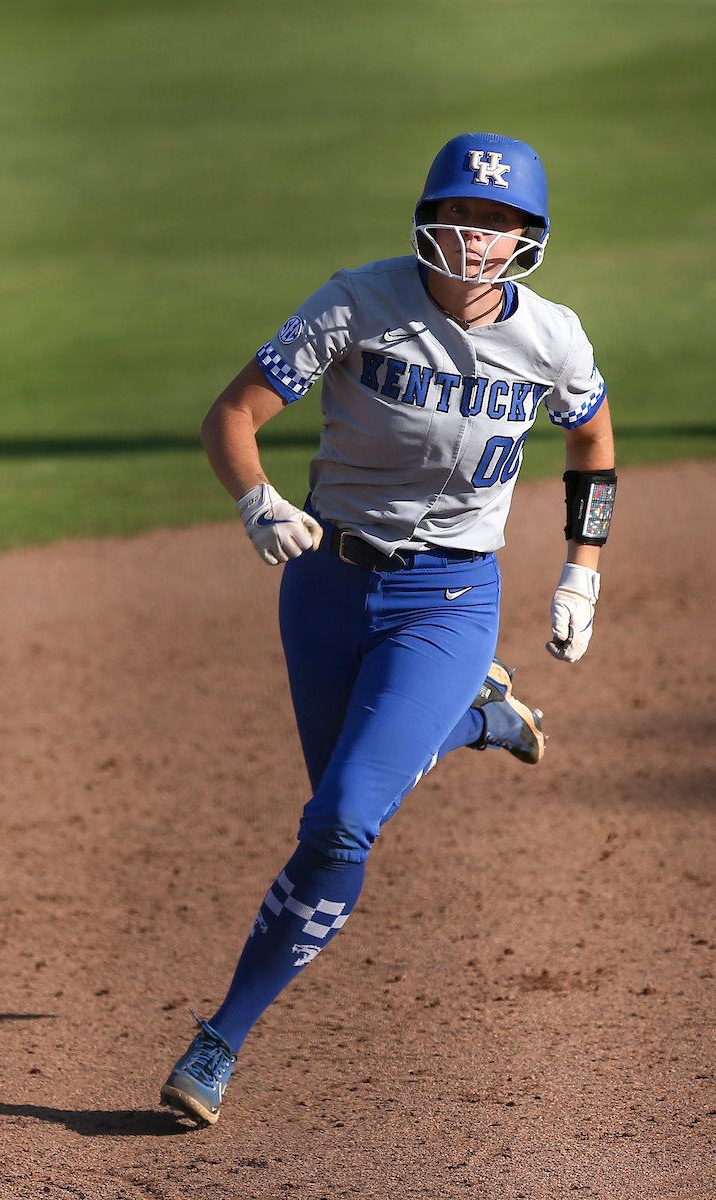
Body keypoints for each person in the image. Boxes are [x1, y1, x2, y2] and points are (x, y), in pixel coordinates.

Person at [160, 132, 616, 1125]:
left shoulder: (553, 339)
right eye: (459, 213)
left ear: (526, 238)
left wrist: (579, 572)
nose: (473, 235)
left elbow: (588, 436)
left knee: (337, 826)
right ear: (425, 216)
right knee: (337, 802)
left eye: (495, 222)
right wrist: (256, 503)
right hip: (323, 587)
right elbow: (231, 416)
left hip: (450, 602)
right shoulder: (355, 303)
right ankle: (479, 718)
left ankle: (217, 1041)